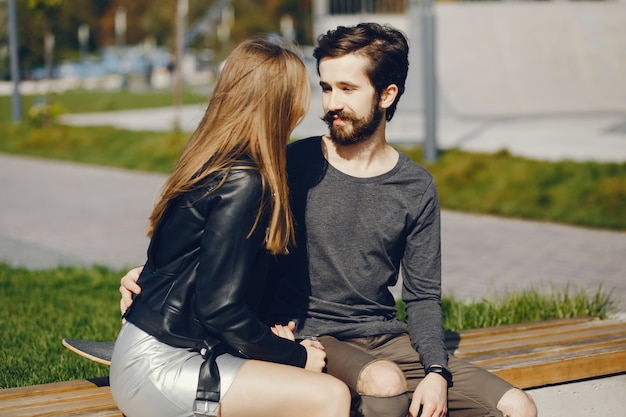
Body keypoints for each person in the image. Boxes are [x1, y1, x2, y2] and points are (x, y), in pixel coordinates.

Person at [121, 24, 538, 417]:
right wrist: (152, 276)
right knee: (384, 380)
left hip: (386, 335)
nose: (331, 103)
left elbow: (424, 296)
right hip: (309, 333)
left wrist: (435, 371)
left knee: (520, 407)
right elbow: (217, 248)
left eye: (347, 88)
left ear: (387, 95)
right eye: (325, 87)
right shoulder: (287, 166)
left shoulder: (416, 186)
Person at [110, 35, 351, 417]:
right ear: (278, 104)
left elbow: (190, 267)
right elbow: (218, 308)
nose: (303, 110)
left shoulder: (211, 161)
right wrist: (295, 355)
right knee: (330, 396)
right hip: (167, 365)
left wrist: (267, 336)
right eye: (297, 95)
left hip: (153, 348)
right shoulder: (245, 180)